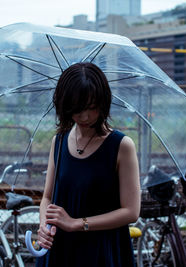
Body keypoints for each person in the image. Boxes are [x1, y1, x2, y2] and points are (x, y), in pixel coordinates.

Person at [36, 62, 140, 267]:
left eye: (91, 108)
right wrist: (43, 226)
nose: (84, 116)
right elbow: (47, 196)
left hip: (102, 250)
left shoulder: (121, 146)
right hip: (60, 249)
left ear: (103, 101)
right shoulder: (58, 141)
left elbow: (131, 211)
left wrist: (77, 224)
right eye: (76, 109)